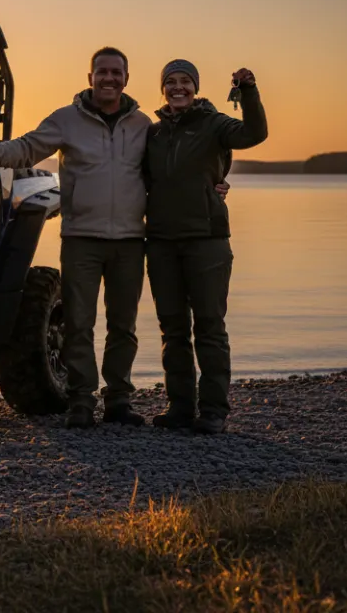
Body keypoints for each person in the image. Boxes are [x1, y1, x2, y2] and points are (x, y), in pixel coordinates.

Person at [0, 47, 151, 429]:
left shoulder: (143, 125)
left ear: (126, 79)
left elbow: (174, 165)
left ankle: (118, 400)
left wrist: (213, 181)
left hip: (130, 240)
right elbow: (28, 146)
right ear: (90, 78)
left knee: (123, 326)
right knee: (78, 323)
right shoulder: (66, 119)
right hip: (81, 237)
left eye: (116, 73)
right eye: (102, 72)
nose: (109, 78)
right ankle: (81, 400)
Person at [145, 61, 267, 435]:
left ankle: (213, 410)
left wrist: (248, 91)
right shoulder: (153, 133)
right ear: (163, 88)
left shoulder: (214, 124)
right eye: (170, 82)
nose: (178, 87)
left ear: (195, 87)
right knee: (173, 329)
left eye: (185, 81)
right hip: (162, 242)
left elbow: (254, 133)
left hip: (207, 241)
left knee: (210, 327)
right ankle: (180, 406)